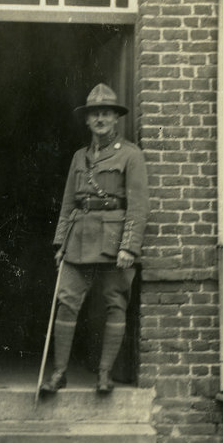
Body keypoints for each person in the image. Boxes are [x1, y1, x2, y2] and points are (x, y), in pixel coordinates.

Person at [40, 84, 148, 396]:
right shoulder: (79, 157)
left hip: (115, 242)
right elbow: (68, 204)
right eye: (94, 114)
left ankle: (104, 374)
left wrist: (129, 246)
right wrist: (60, 243)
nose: (100, 118)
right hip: (79, 239)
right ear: (87, 121)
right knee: (66, 302)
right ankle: (59, 372)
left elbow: (139, 206)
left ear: (116, 119)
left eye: (106, 113)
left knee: (115, 303)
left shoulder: (131, 155)